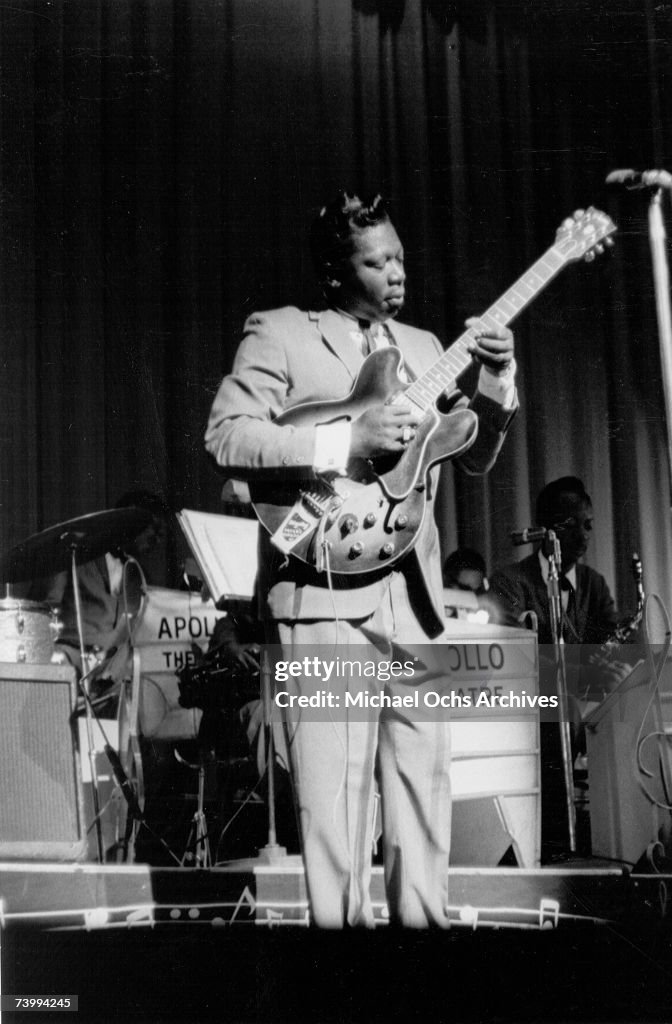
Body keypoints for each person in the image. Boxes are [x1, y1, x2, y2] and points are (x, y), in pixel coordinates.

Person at [205, 191, 518, 926]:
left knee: (423, 781)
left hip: (414, 595)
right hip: (322, 584)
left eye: (400, 257)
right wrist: (345, 441)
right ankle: (338, 960)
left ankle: (421, 946)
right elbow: (228, 437)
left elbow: (470, 461)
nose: (396, 273)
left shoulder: (426, 347)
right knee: (335, 793)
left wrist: (497, 383)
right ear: (334, 271)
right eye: (377, 262)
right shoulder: (281, 333)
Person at [489, 476, 621, 646]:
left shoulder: (595, 583)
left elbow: (611, 638)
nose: (583, 536)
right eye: (570, 525)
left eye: (587, 525)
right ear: (544, 526)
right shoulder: (508, 583)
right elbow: (515, 651)